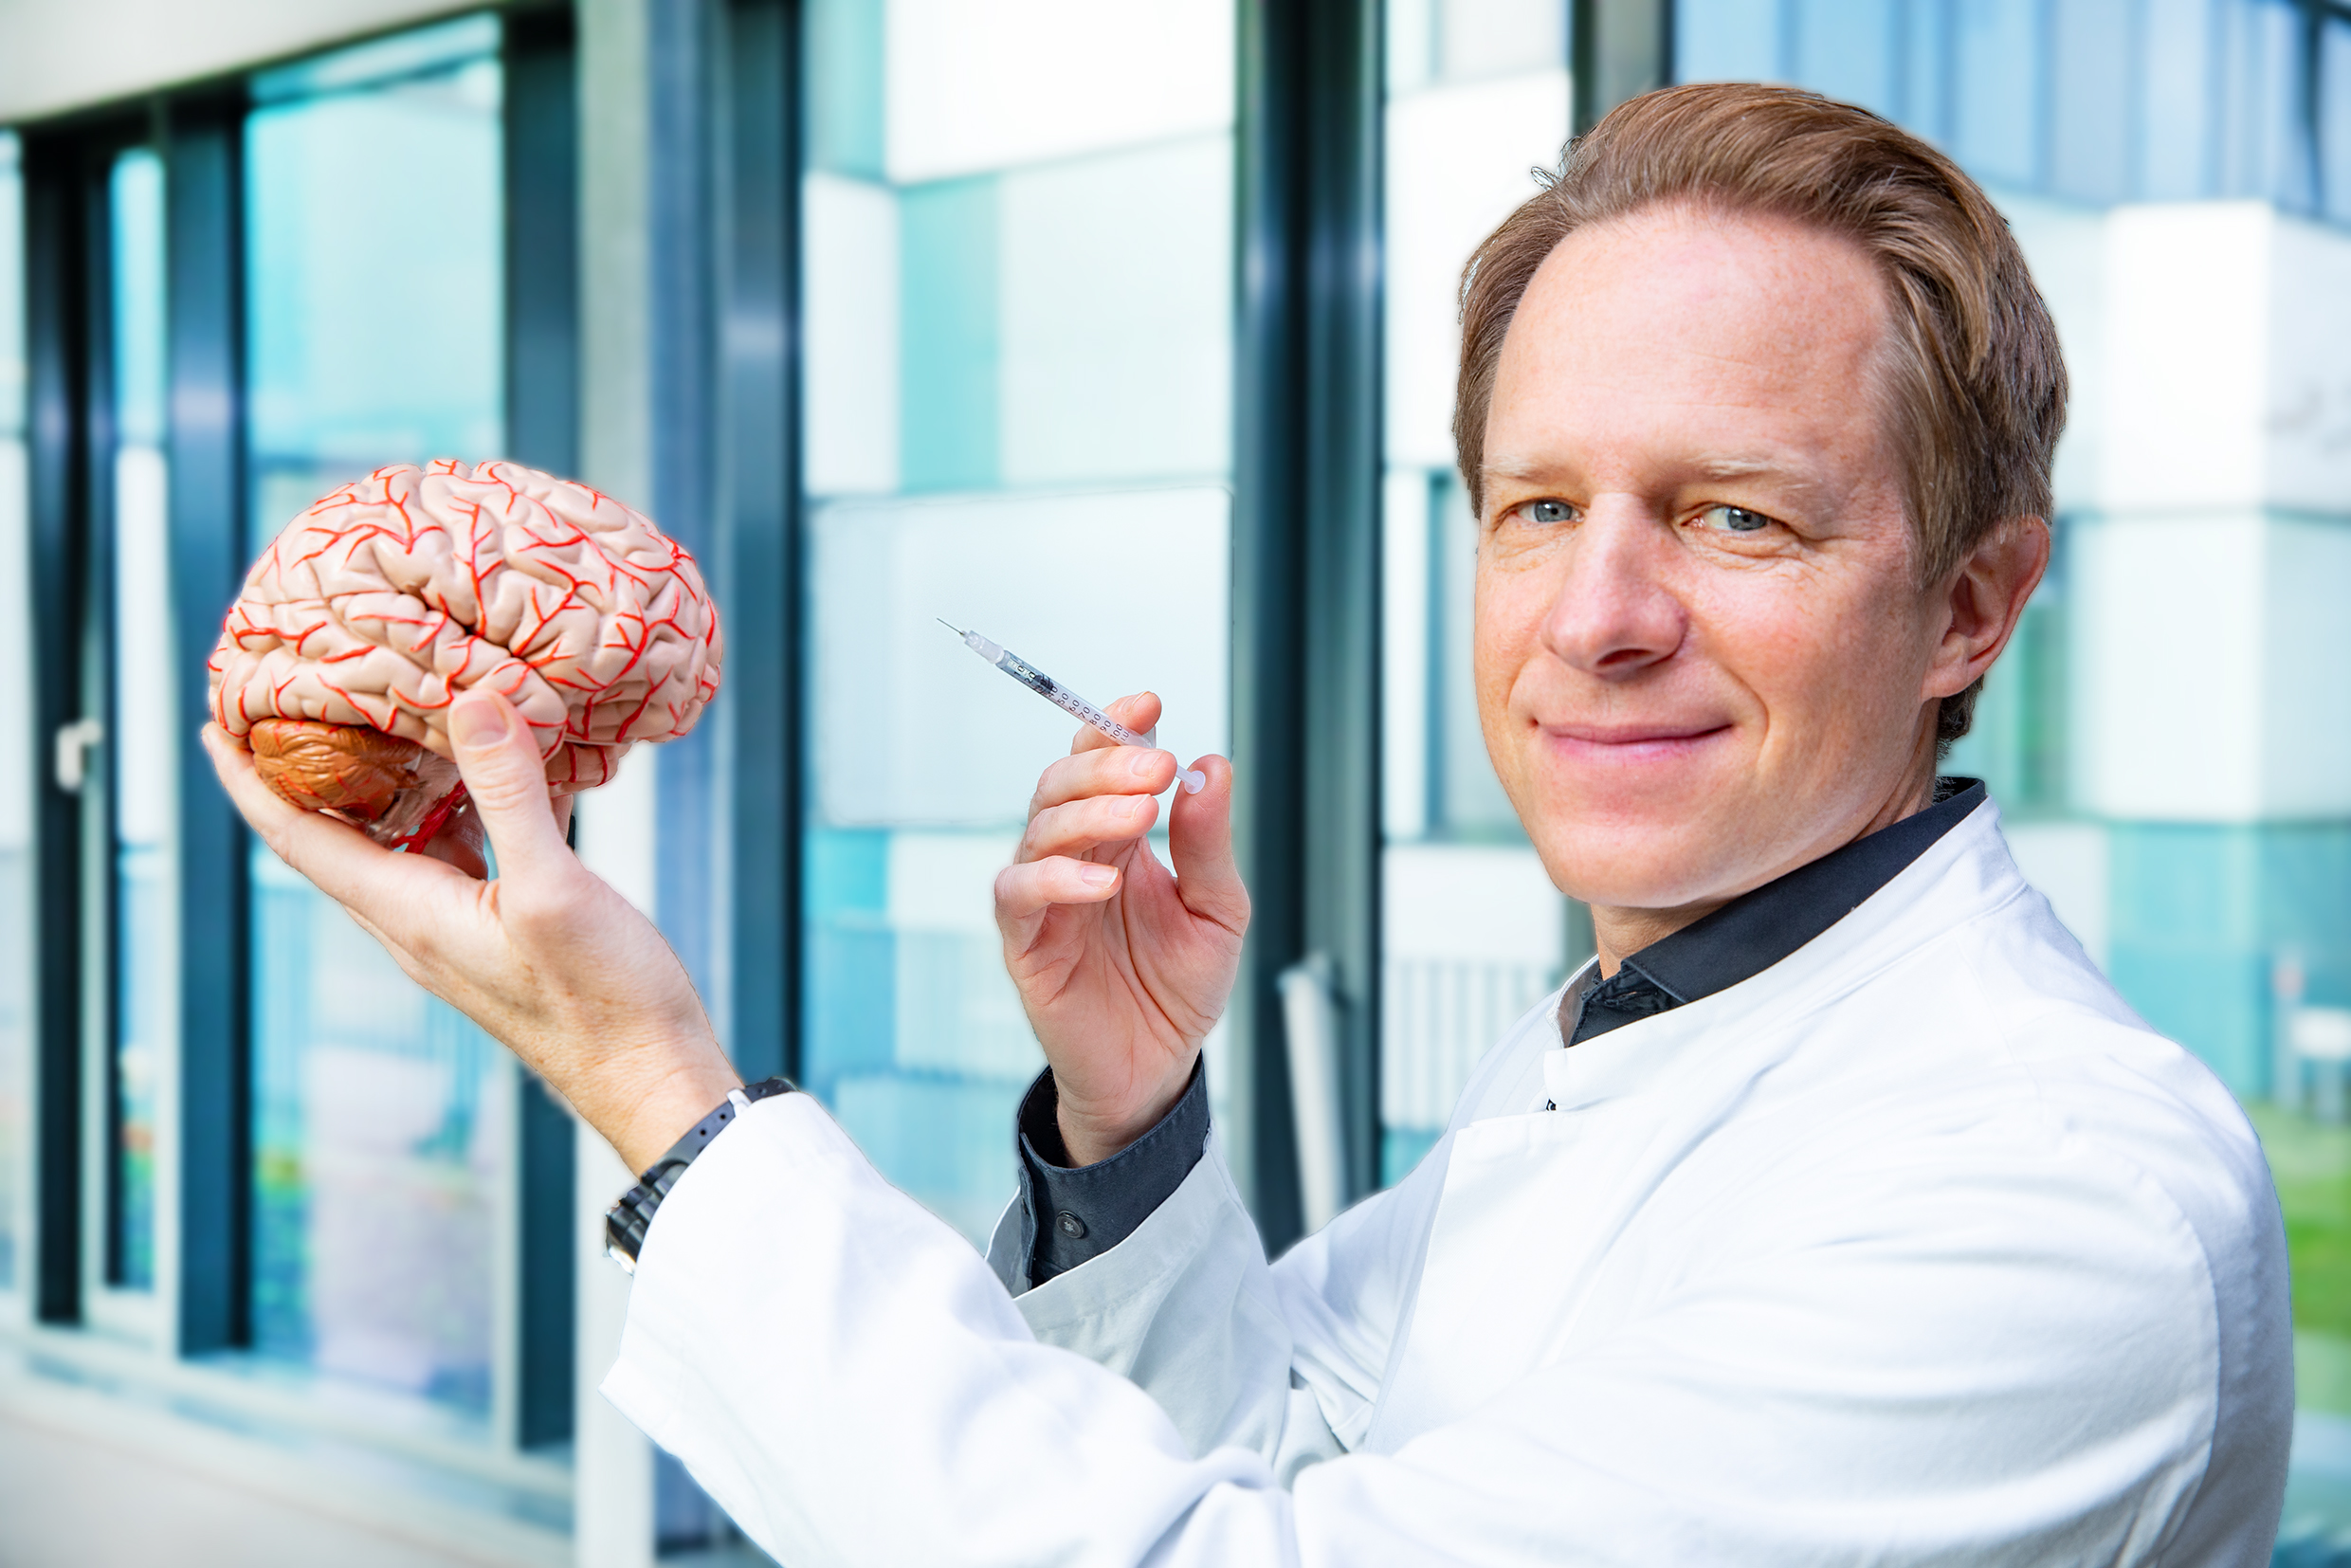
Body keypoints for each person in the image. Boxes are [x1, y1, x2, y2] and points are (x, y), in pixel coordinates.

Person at [209, 83, 2290, 1564]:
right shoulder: (1656, 1013)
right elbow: (1291, 1448)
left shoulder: (2055, 1207)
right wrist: (1132, 1126)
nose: (1598, 618)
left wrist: (652, 1083)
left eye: (1734, 515)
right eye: (1538, 507)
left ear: (1968, 601)